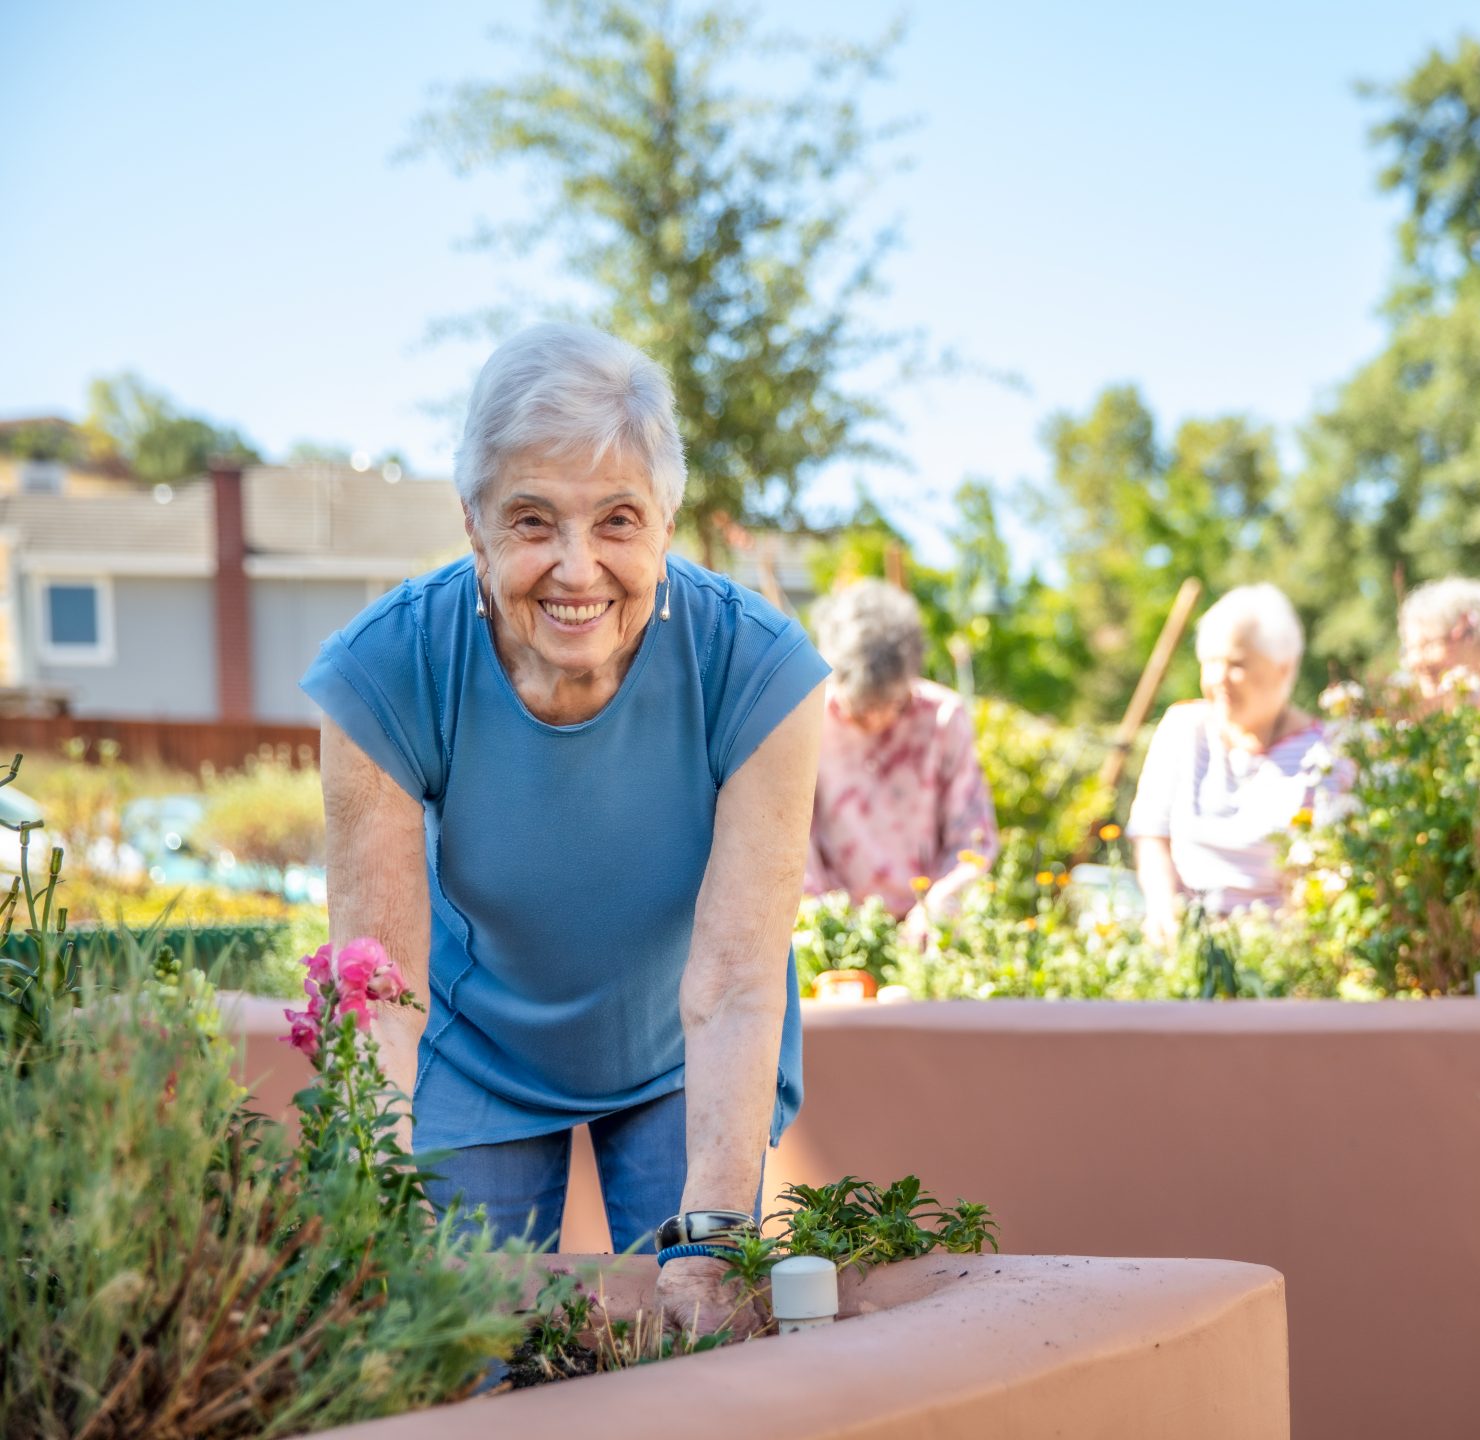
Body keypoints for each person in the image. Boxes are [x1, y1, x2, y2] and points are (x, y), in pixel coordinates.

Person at [304, 323, 829, 1329]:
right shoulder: (385, 669)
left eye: (618, 521)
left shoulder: (758, 670)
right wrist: (370, 1210)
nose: (578, 569)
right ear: (474, 524)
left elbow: (735, 982)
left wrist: (715, 1236)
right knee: (455, 1345)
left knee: (694, 1350)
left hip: (685, 1055)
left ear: (667, 523)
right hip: (477, 1047)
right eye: (534, 521)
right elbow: (381, 989)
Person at [1128, 583, 1346, 946]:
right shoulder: (1183, 729)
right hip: (1186, 938)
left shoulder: (1326, 752)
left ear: (1283, 667)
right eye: (1209, 663)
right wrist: (1164, 910)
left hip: (1280, 946)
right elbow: (1152, 835)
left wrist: (1275, 945)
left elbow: (1324, 872)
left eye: (1236, 664)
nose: (1217, 679)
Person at [803, 580, 997, 925]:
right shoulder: (807, 719)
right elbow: (795, 841)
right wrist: (831, 920)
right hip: (835, 923)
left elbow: (973, 836)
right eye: (861, 709)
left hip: (929, 920)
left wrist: (936, 904)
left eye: (889, 704)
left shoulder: (943, 717)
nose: (876, 718)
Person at [1397, 577, 1480, 710]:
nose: (1415, 660)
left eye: (1428, 645)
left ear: (1473, 640)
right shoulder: (1407, 719)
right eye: (1410, 648)